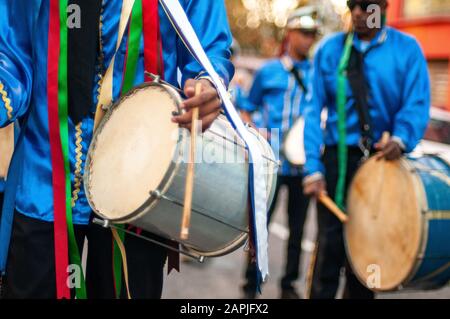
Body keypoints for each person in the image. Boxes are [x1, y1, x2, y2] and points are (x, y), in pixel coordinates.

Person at [0, 0, 234, 299]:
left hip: (141, 183)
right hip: (44, 175)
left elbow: (208, 48)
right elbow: (12, 53)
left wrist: (208, 83)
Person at [303, 0, 430, 299]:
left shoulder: (407, 50)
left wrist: (400, 138)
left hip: (381, 163)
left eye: (366, 5)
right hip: (336, 160)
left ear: (383, 8)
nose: (359, 12)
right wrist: (312, 167)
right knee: (328, 248)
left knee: (367, 253)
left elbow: (416, 103)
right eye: (353, 5)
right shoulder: (329, 50)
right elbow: (312, 111)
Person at [240, 7, 320, 299]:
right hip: (271, 164)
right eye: (304, 33)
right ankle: (251, 284)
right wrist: (254, 131)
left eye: (313, 35)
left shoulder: (317, 73)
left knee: (298, 231)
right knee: (259, 225)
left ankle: (289, 285)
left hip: (303, 167)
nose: (308, 40)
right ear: (290, 33)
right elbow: (248, 105)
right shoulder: (269, 71)